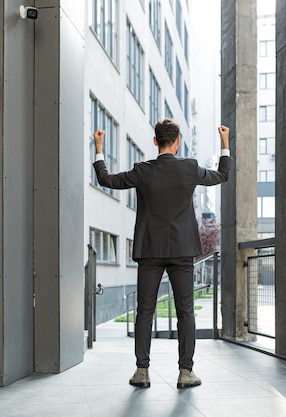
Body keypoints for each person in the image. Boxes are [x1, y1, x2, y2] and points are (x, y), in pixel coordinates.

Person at [92, 119, 231, 389]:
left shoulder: (141, 171)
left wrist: (99, 148)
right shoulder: (190, 168)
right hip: (181, 251)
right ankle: (186, 372)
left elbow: (106, 179)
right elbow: (222, 176)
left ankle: (142, 372)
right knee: (185, 311)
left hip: (150, 250)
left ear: (155, 141)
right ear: (177, 141)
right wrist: (224, 143)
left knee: (145, 310)